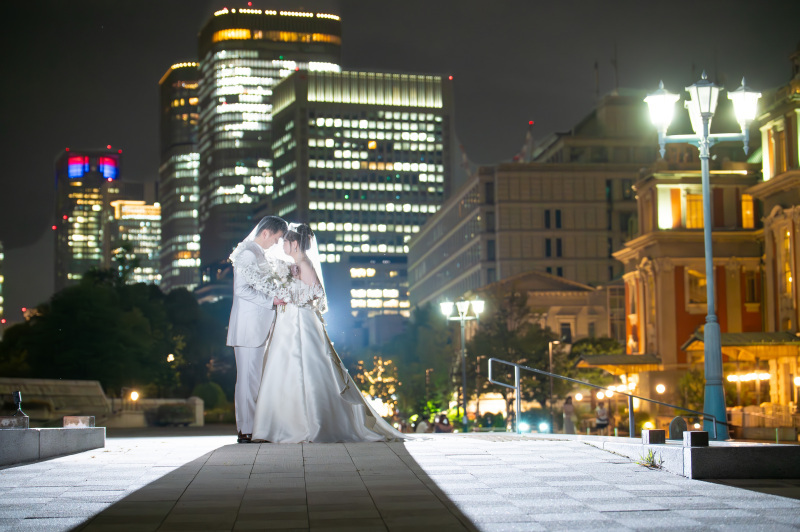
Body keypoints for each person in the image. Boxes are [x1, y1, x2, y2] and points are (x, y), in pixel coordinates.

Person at [251, 223, 405, 443]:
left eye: (285, 241)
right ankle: (279, 425)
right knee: (283, 367)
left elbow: (318, 295)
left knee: (305, 366)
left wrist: (292, 297)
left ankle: (309, 423)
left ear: (294, 243)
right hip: (287, 320)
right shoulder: (294, 265)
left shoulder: (304, 263)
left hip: (299, 321)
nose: (282, 244)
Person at [227, 216, 290, 444]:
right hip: (248, 327)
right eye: (275, 239)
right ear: (266, 233)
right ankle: (246, 430)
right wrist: (271, 300)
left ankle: (254, 427)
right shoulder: (247, 254)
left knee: (254, 379)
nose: (275, 244)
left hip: (258, 326)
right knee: (247, 380)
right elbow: (241, 290)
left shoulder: (258, 254)